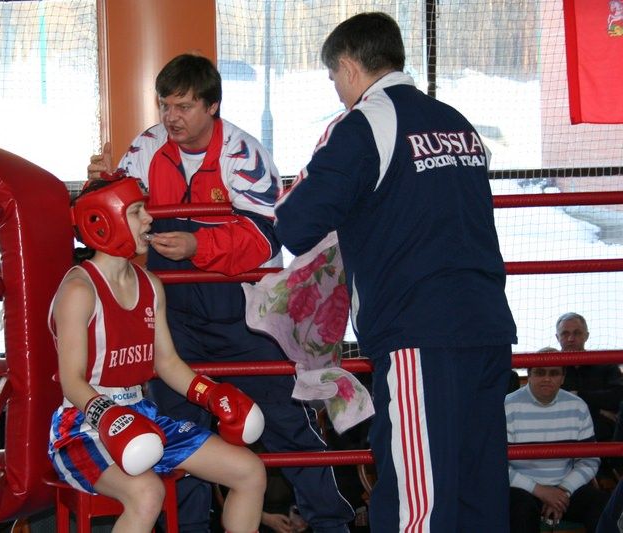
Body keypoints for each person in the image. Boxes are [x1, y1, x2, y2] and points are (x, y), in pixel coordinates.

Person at [87, 53, 355, 532]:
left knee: (286, 421)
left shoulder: (243, 154)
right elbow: (116, 213)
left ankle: (333, 525)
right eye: (165, 105)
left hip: (244, 317)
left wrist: (197, 245)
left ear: (212, 106)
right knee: (179, 431)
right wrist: (100, 182)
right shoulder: (147, 147)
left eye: (184, 106)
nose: (171, 117)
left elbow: (267, 237)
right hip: (174, 320)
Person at [273, 12, 517, 532]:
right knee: (477, 495)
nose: (338, 90)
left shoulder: (365, 123)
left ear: (348, 67)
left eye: (334, 77)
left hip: (417, 333)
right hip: (488, 326)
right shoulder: (457, 122)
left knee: (416, 503)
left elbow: (295, 222)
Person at [47, 175, 267, 533]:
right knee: (148, 493)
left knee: (249, 471)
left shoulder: (149, 284)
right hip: (83, 428)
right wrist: (109, 415)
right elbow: (71, 380)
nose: (149, 219)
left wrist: (210, 394)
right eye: (136, 211)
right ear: (103, 220)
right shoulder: (79, 289)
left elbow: (166, 363)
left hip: (143, 416)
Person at [505, 365, 609, 532]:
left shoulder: (577, 406)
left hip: (565, 488)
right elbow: (494, 463)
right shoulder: (507, 405)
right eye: (540, 372)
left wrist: (563, 491)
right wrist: (540, 491)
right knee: (519, 510)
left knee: (603, 505)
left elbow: (590, 458)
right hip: (523, 489)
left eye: (554, 373)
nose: (547, 378)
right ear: (529, 375)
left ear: (563, 378)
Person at [556, 312, 623, 442]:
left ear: (586, 336)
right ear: (557, 337)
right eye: (565, 333)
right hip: (562, 435)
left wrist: (577, 394)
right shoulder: (550, 369)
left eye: (577, 333)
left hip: (604, 438)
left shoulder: (605, 363)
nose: (570, 339)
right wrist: (598, 410)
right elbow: (552, 402)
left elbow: (618, 396)